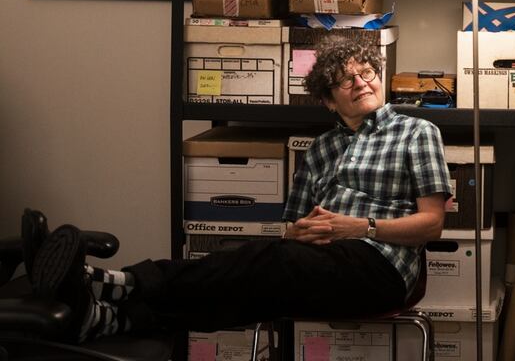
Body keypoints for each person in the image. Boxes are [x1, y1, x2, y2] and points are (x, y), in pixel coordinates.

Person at [22, 38, 452, 342]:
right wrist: (301, 232)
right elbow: (290, 228)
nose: (361, 83)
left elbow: (432, 224)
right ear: (328, 100)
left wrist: (361, 227)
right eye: (346, 80)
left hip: (380, 269)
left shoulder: (416, 132)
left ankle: (119, 281)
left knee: (265, 263)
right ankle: (108, 320)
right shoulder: (321, 148)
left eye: (367, 73)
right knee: (254, 286)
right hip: (313, 260)